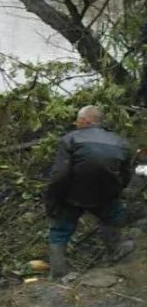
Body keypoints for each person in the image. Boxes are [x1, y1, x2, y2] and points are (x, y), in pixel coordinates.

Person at [44, 105, 135, 279]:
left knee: (59, 229)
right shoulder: (121, 142)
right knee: (114, 218)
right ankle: (116, 251)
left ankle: (58, 271)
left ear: (85, 121)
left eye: (78, 120)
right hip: (105, 195)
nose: (76, 123)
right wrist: (115, 191)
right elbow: (126, 175)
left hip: (71, 195)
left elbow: (59, 175)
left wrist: (51, 199)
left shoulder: (69, 140)